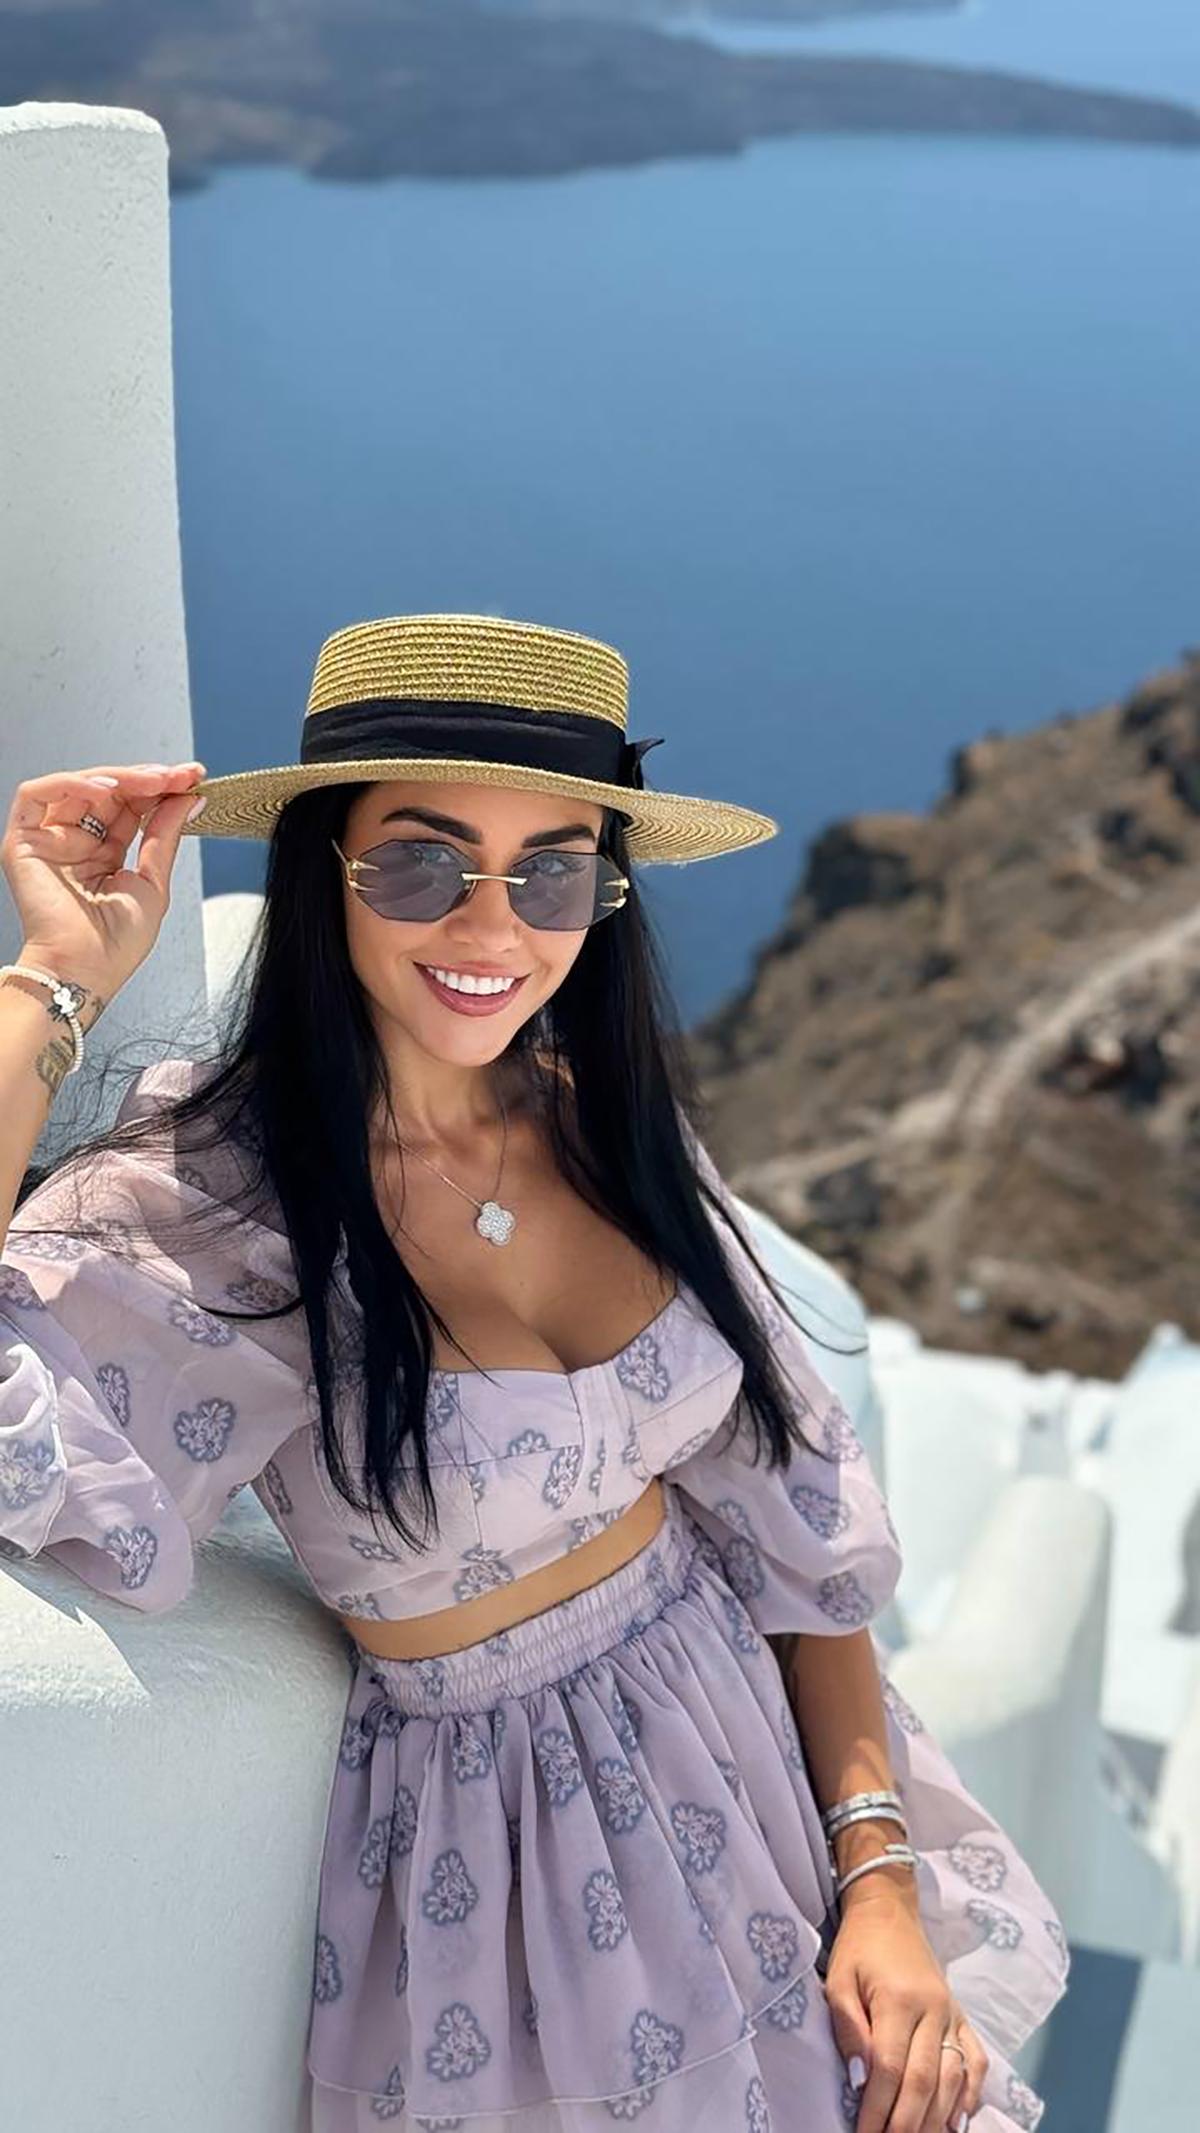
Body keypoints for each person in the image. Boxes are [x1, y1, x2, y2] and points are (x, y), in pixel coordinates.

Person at [0, 613, 1068, 2132]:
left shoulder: (608, 1126)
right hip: (519, 1895)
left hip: (769, 1785)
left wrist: (881, 1882)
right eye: (420, 865)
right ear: (323, 868)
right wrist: (56, 977)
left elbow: (797, 1528)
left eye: (552, 873)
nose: (493, 930)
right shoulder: (225, 1203)